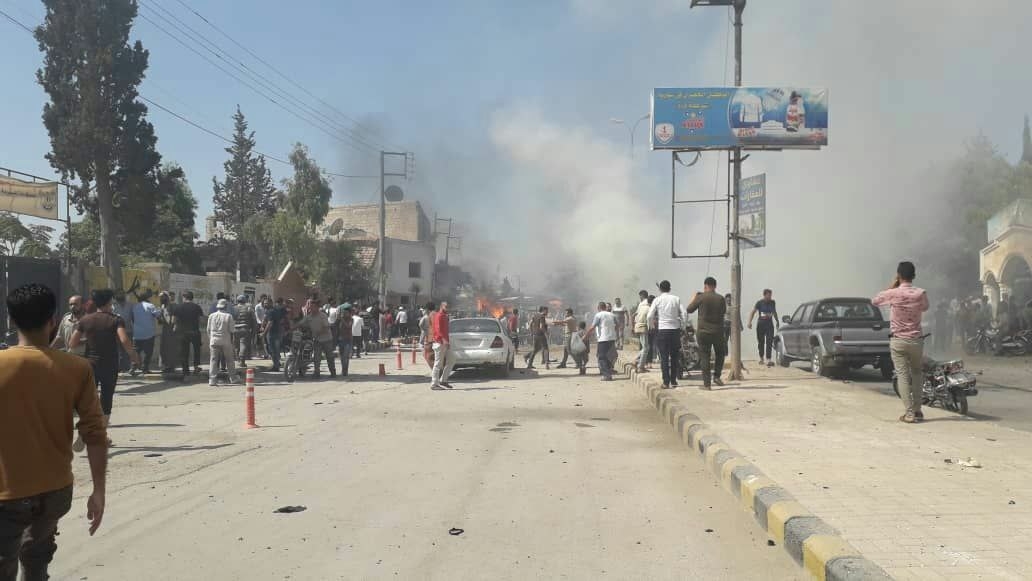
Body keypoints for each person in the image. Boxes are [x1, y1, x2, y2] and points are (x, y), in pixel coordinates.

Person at [0, 284, 108, 580]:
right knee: (37, 562)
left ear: (11, 320)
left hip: (6, 494)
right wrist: (99, 491)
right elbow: (95, 433)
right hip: (55, 492)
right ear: (52, 321)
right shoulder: (77, 368)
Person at [70, 289, 140, 448]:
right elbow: (124, 340)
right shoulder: (116, 320)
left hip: (90, 365)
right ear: (109, 302)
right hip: (109, 365)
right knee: (106, 399)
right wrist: (133, 356)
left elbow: (72, 343)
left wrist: (88, 340)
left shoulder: (86, 320)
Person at [872, 261, 930, 424]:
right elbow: (925, 307)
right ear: (914, 275)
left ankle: (909, 413)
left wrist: (893, 286)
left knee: (903, 376)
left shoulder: (893, 293)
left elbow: (875, 301)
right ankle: (918, 410)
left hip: (898, 340)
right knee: (917, 373)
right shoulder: (921, 293)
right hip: (916, 340)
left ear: (898, 275)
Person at [687, 277, 728, 390]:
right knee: (720, 354)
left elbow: (689, 309)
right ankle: (717, 376)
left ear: (705, 286)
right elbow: (723, 312)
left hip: (703, 332)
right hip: (718, 332)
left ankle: (707, 385)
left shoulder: (700, 297)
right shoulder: (721, 298)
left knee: (705, 356)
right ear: (715, 286)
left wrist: (694, 298)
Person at [647, 280, 684, 389]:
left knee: (664, 358)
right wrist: (682, 325)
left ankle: (666, 382)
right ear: (670, 288)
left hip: (663, 331)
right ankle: (673, 381)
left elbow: (649, 316)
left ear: (660, 289)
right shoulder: (676, 299)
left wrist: (652, 326)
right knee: (674, 357)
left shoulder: (657, 300)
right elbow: (684, 313)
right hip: (675, 331)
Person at [582, 301, 617, 381]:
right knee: (608, 356)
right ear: (605, 307)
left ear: (598, 308)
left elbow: (592, 327)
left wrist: (586, 336)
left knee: (601, 357)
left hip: (603, 339)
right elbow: (618, 325)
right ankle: (608, 372)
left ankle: (607, 375)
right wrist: (612, 332)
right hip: (612, 339)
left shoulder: (598, 315)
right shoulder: (612, 315)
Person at [301, 300, 336, 379]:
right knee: (316, 357)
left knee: (329, 357)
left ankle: (333, 372)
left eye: (312, 307)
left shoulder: (323, 316)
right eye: (310, 307)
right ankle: (317, 373)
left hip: (327, 340)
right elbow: (301, 323)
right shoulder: (309, 317)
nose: (310, 308)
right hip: (317, 340)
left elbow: (326, 327)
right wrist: (291, 329)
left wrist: (318, 333)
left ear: (317, 307)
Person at [174, 291, 205, 380]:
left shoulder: (178, 307)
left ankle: (185, 371)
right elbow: (202, 320)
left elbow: (174, 320)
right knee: (196, 350)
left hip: (182, 333)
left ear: (184, 297)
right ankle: (196, 367)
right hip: (194, 331)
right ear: (192, 298)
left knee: (184, 352)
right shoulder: (197, 307)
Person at [207, 299, 237, 387]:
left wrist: (211, 338)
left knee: (213, 360)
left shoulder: (211, 316)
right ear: (226, 306)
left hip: (214, 340)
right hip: (225, 340)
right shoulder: (228, 316)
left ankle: (212, 380)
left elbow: (208, 329)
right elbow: (232, 330)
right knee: (229, 360)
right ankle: (233, 378)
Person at [747, 289, 780, 367]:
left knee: (769, 341)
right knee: (761, 342)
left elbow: (774, 312)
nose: (770, 297)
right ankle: (761, 358)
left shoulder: (772, 302)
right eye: (769, 295)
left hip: (769, 325)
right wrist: (749, 322)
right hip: (761, 324)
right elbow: (753, 312)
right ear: (764, 295)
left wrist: (777, 321)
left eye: (771, 295)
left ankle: (768, 359)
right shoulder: (759, 303)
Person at [130, 290, 160, 375]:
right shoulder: (150, 306)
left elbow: (132, 318)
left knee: (136, 351)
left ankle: (133, 367)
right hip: (149, 333)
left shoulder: (135, 306)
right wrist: (160, 310)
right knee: (148, 352)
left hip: (137, 333)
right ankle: (145, 368)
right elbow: (157, 315)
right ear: (147, 298)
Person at [430, 301, 454, 390]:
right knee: (438, 364)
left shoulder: (445, 316)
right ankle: (434, 384)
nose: (448, 308)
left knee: (451, 360)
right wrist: (444, 340)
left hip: (445, 342)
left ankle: (443, 380)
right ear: (441, 306)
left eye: (449, 306)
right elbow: (438, 330)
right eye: (446, 306)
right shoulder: (439, 315)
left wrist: (447, 341)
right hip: (439, 343)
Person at [112, 292, 134, 373]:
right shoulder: (113, 306)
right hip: (117, 331)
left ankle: (126, 367)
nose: (120, 296)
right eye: (119, 295)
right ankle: (120, 367)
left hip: (128, 330)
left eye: (122, 295)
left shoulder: (130, 305)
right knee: (118, 350)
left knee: (127, 349)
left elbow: (133, 317)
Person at [263, 298, 286, 372]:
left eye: (266, 303)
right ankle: (277, 363)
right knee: (276, 350)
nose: (265, 305)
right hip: (278, 332)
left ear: (271, 303)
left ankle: (276, 366)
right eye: (264, 303)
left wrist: (264, 333)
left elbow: (270, 323)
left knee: (272, 350)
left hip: (272, 333)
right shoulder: (276, 310)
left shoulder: (271, 311)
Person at [233, 295, 256, 368]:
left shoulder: (234, 308)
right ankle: (242, 361)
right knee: (243, 344)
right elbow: (254, 320)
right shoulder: (249, 308)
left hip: (235, 329)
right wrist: (254, 331)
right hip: (245, 328)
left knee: (236, 346)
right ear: (245, 300)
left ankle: (238, 360)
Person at [158, 292, 177, 374]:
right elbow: (161, 320)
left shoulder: (172, 306)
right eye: (160, 297)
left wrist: (173, 326)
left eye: (163, 297)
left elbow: (173, 318)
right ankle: (165, 366)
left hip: (171, 330)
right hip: (164, 330)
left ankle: (171, 366)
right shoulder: (162, 307)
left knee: (170, 349)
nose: (161, 299)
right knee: (164, 349)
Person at [633, 289, 650, 373]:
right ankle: (640, 366)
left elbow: (635, 314)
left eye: (640, 296)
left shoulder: (641, 304)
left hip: (638, 326)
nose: (639, 297)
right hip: (643, 326)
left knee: (645, 347)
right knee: (646, 347)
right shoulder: (648, 305)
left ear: (642, 296)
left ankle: (636, 361)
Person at [337, 303, 354, 377]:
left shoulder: (351, 319)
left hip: (348, 340)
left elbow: (348, 326)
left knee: (346, 356)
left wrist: (342, 319)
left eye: (346, 313)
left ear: (349, 313)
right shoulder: (339, 320)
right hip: (340, 339)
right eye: (344, 312)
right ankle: (343, 369)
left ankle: (345, 370)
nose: (344, 314)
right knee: (341, 356)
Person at [419, 303, 435, 368]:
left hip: (425, 332)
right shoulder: (433, 316)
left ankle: (425, 355)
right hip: (432, 334)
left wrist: (423, 329)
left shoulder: (425, 317)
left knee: (422, 344)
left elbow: (420, 324)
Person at [254, 294, 268, 359]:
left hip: (265, 324)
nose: (264, 300)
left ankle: (266, 353)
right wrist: (260, 324)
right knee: (258, 339)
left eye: (265, 298)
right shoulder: (257, 306)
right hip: (259, 324)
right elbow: (256, 316)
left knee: (265, 339)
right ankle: (258, 353)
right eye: (263, 298)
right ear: (261, 299)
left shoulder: (266, 306)